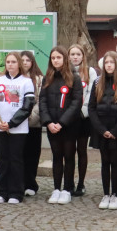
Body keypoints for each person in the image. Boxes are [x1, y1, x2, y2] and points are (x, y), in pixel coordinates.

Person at [89, 51, 117, 211]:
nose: (109, 65)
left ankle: (115, 193)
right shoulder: (96, 83)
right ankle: (106, 193)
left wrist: (115, 130)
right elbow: (91, 108)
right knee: (105, 162)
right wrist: (102, 130)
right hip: (102, 130)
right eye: (106, 62)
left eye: (112, 62)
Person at [39, 46, 83, 205]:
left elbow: (76, 102)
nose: (55, 60)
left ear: (65, 59)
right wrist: (49, 122)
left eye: (58, 57)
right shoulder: (47, 78)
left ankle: (67, 189)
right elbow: (42, 101)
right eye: (53, 58)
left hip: (69, 125)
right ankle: (56, 188)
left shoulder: (74, 78)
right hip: (52, 125)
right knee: (56, 156)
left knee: (69, 156)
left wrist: (62, 122)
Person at [0, 52, 35, 204]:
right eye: (8, 62)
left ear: (19, 64)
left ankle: (16, 193)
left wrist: (11, 123)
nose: (10, 64)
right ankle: (2, 191)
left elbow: (27, 106)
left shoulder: (26, 82)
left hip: (18, 129)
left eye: (13, 62)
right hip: (0, 128)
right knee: (4, 159)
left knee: (16, 160)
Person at [68, 43, 96, 197]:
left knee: (82, 150)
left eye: (78, 54)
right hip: (69, 117)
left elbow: (92, 92)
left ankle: (81, 183)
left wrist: (82, 111)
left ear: (83, 56)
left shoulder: (90, 71)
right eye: (72, 54)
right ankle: (70, 183)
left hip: (83, 117)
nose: (75, 57)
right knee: (69, 150)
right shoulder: (66, 72)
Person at [21, 50, 44, 197]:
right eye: (22, 60)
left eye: (27, 60)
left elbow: (41, 101)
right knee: (19, 154)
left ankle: (31, 183)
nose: (24, 63)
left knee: (32, 154)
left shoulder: (40, 79)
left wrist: (29, 117)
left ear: (32, 62)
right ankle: (20, 183)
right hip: (17, 124)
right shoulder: (14, 79)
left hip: (33, 123)